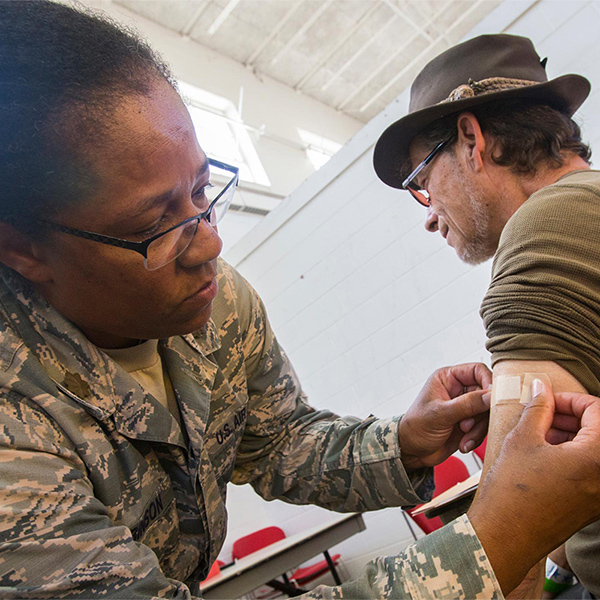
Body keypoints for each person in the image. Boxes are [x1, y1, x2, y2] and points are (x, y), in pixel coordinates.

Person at [0, 5, 599, 598]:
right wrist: (502, 537)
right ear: (23, 248)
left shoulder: (215, 303)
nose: (210, 243)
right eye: (153, 225)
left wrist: (403, 443)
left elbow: (278, 440)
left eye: (203, 191)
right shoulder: (14, 429)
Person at [374, 33, 600, 597]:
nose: (429, 215)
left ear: (471, 139)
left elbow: (516, 529)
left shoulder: (547, 223)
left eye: (422, 182)